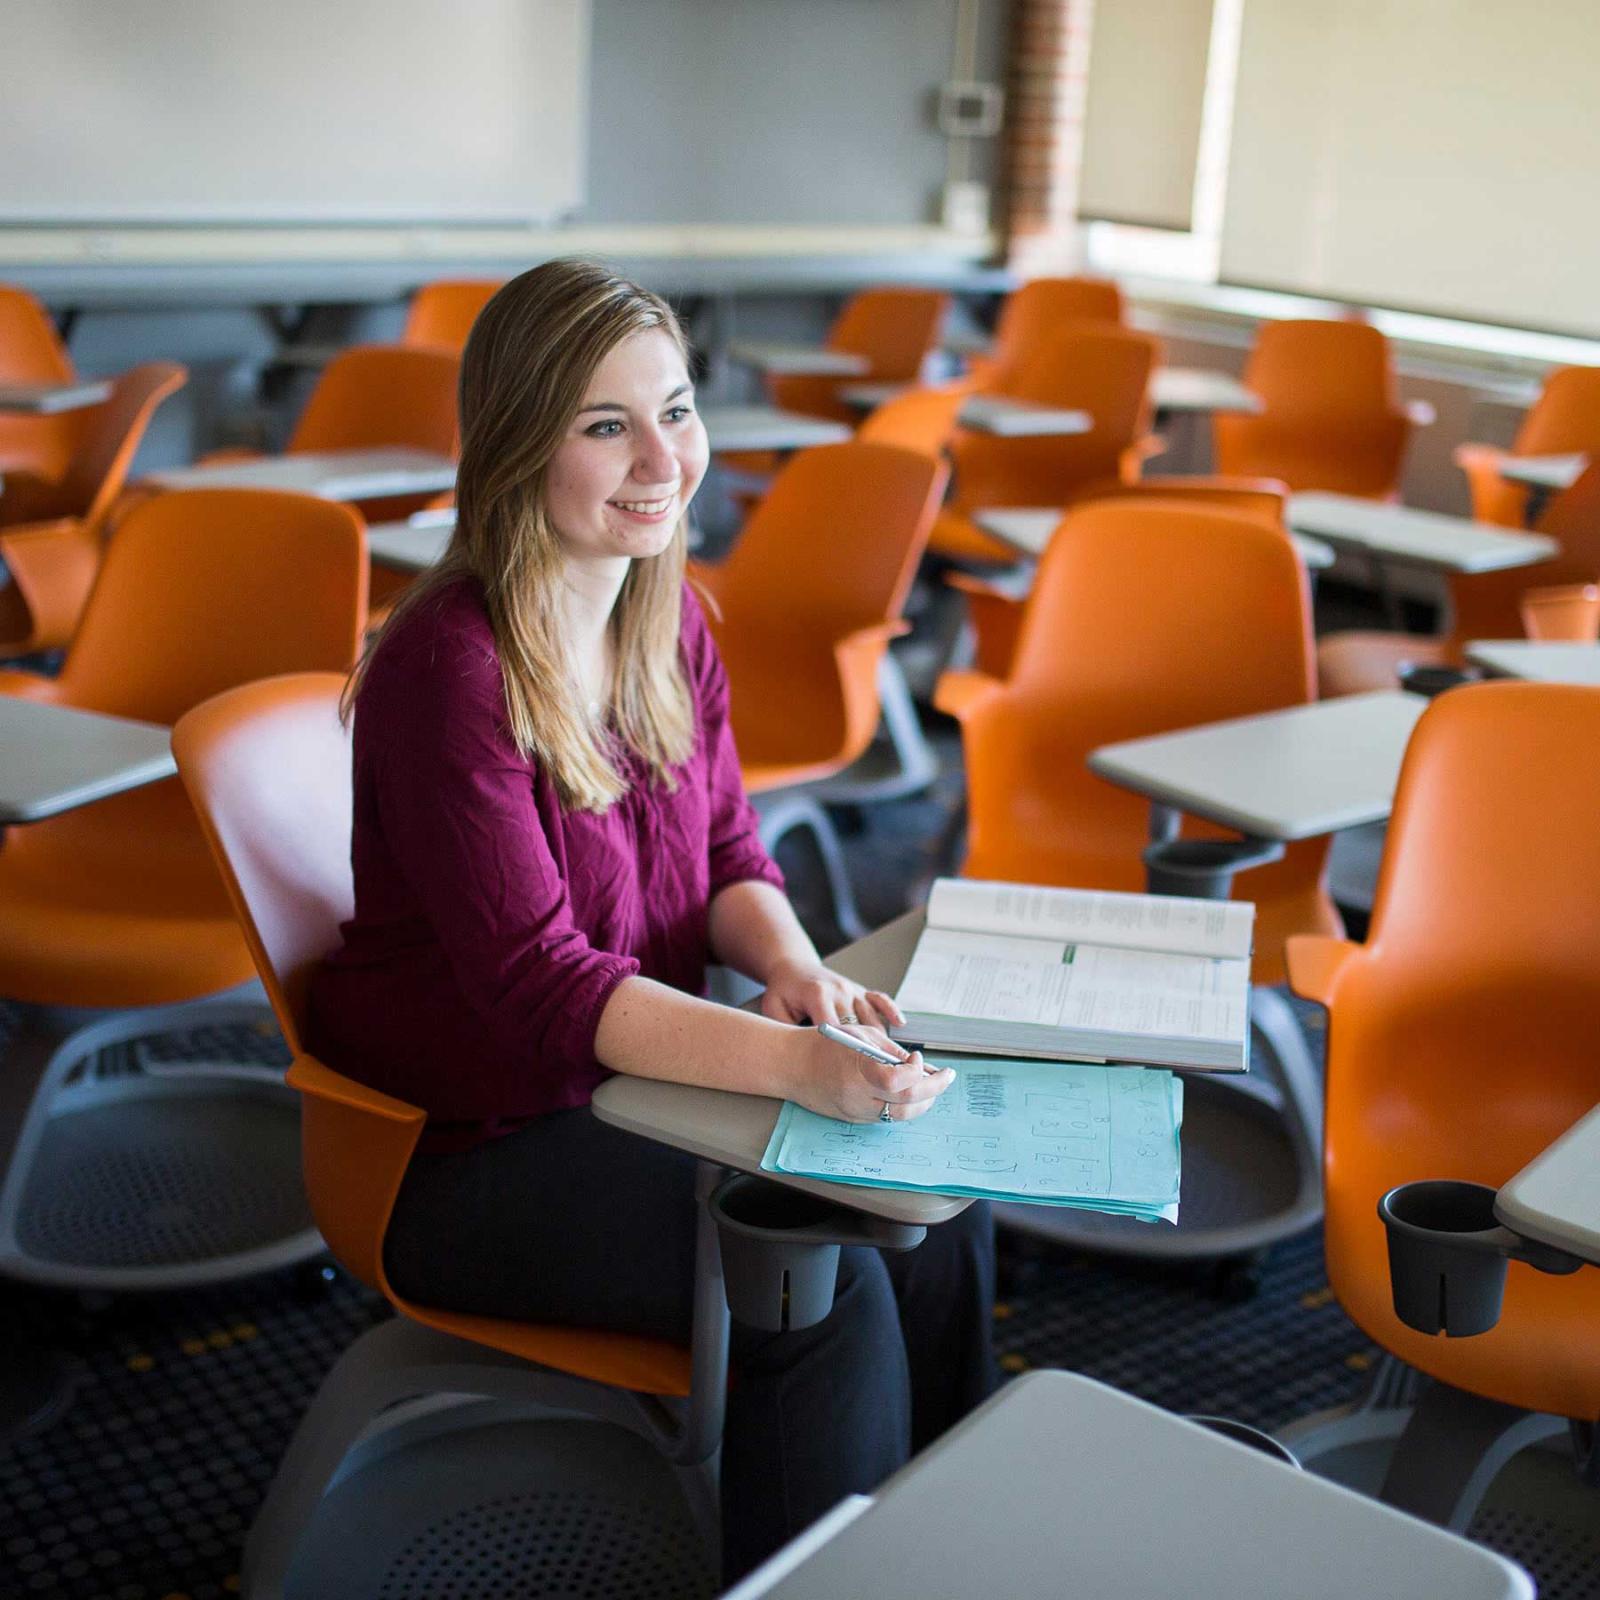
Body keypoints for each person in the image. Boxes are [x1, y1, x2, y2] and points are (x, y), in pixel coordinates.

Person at [307, 258, 997, 1577]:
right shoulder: (450, 670)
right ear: (517, 443)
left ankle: (939, 1550)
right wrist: (796, 1065)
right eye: (604, 422)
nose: (660, 458)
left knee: (937, 1199)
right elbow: (544, 994)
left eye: (675, 410)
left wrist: (801, 976)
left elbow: (733, 847)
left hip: (645, 1088)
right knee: (824, 1272)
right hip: (471, 1146)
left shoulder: (667, 620)